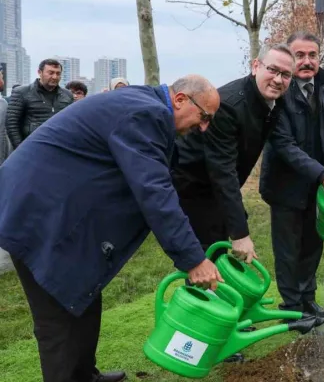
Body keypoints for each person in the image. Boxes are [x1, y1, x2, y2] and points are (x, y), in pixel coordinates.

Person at [0, 75, 225, 382]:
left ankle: (84, 376)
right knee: (58, 320)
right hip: (37, 217)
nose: (203, 127)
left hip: (56, 210)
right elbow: (154, 192)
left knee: (83, 297)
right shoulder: (147, 113)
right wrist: (193, 260)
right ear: (181, 99)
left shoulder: (144, 105)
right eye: (204, 117)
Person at [172, 43, 295, 266]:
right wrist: (240, 234)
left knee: (216, 252)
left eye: (286, 74)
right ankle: (199, 296)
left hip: (217, 187)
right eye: (273, 70)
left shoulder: (273, 101)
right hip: (192, 184)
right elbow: (223, 172)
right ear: (256, 66)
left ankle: (210, 291)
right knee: (204, 256)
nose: (278, 79)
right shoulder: (229, 105)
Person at [259, 32, 324, 317]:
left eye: (313, 55)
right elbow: (284, 145)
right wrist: (320, 173)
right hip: (286, 186)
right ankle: (292, 307)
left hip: (318, 185)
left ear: (320, 57)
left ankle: (308, 298)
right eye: (300, 56)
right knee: (288, 249)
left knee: (312, 243)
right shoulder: (279, 90)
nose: (307, 61)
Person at [6, 59, 74, 149]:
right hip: (31, 147)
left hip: (59, 148)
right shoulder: (22, 92)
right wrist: (21, 149)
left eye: (58, 73)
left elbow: (71, 123)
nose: (55, 77)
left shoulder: (67, 95)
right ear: (39, 72)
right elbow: (11, 123)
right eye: (51, 73)